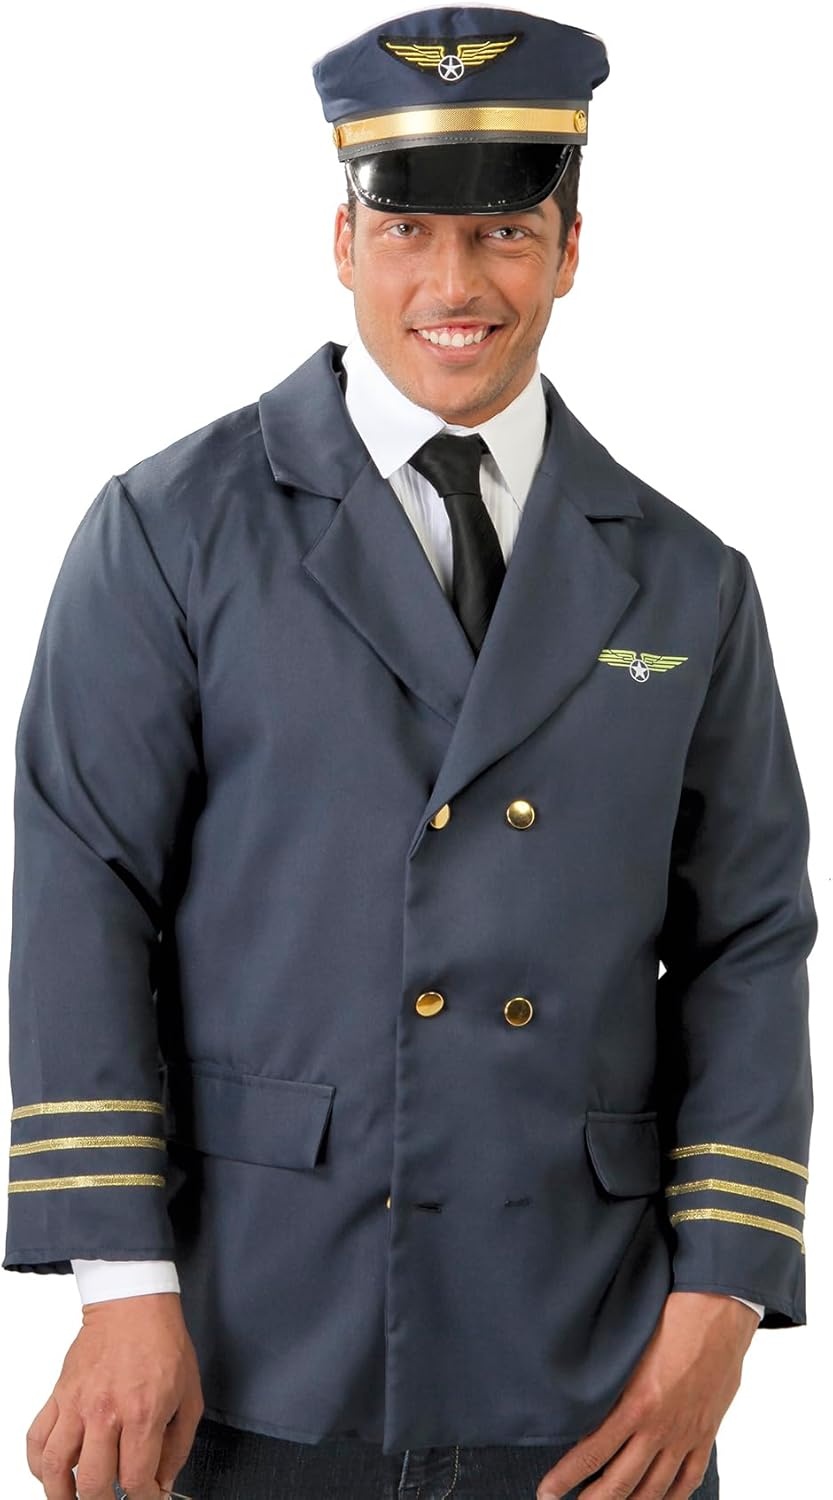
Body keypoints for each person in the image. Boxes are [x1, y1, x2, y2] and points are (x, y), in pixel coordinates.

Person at [4, 6, 816, 1499]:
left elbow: (748, 943)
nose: (455, 284)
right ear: (342, 242)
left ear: (570, 252)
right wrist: (119, 1283)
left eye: (504, 235)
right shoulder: (168, 532)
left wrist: (725, 1301)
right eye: (408, 233)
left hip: (593, 1355)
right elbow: (83, 896)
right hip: (256, 1333)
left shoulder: (691, 580)